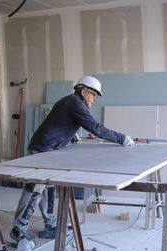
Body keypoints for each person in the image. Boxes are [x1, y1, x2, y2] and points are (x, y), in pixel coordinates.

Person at [10, 76, 135, 241]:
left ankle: (50, 224)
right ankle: (18, 230)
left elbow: (60, 122)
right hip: (42, 149)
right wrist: (123, 139)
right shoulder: (76, 104)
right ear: (84, 92)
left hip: (49, 148)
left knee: (47, 189)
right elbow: (96, 128)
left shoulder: (70, 101)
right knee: (34, 190)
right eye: (94, 94)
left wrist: (70, 135)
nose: (95, 99)